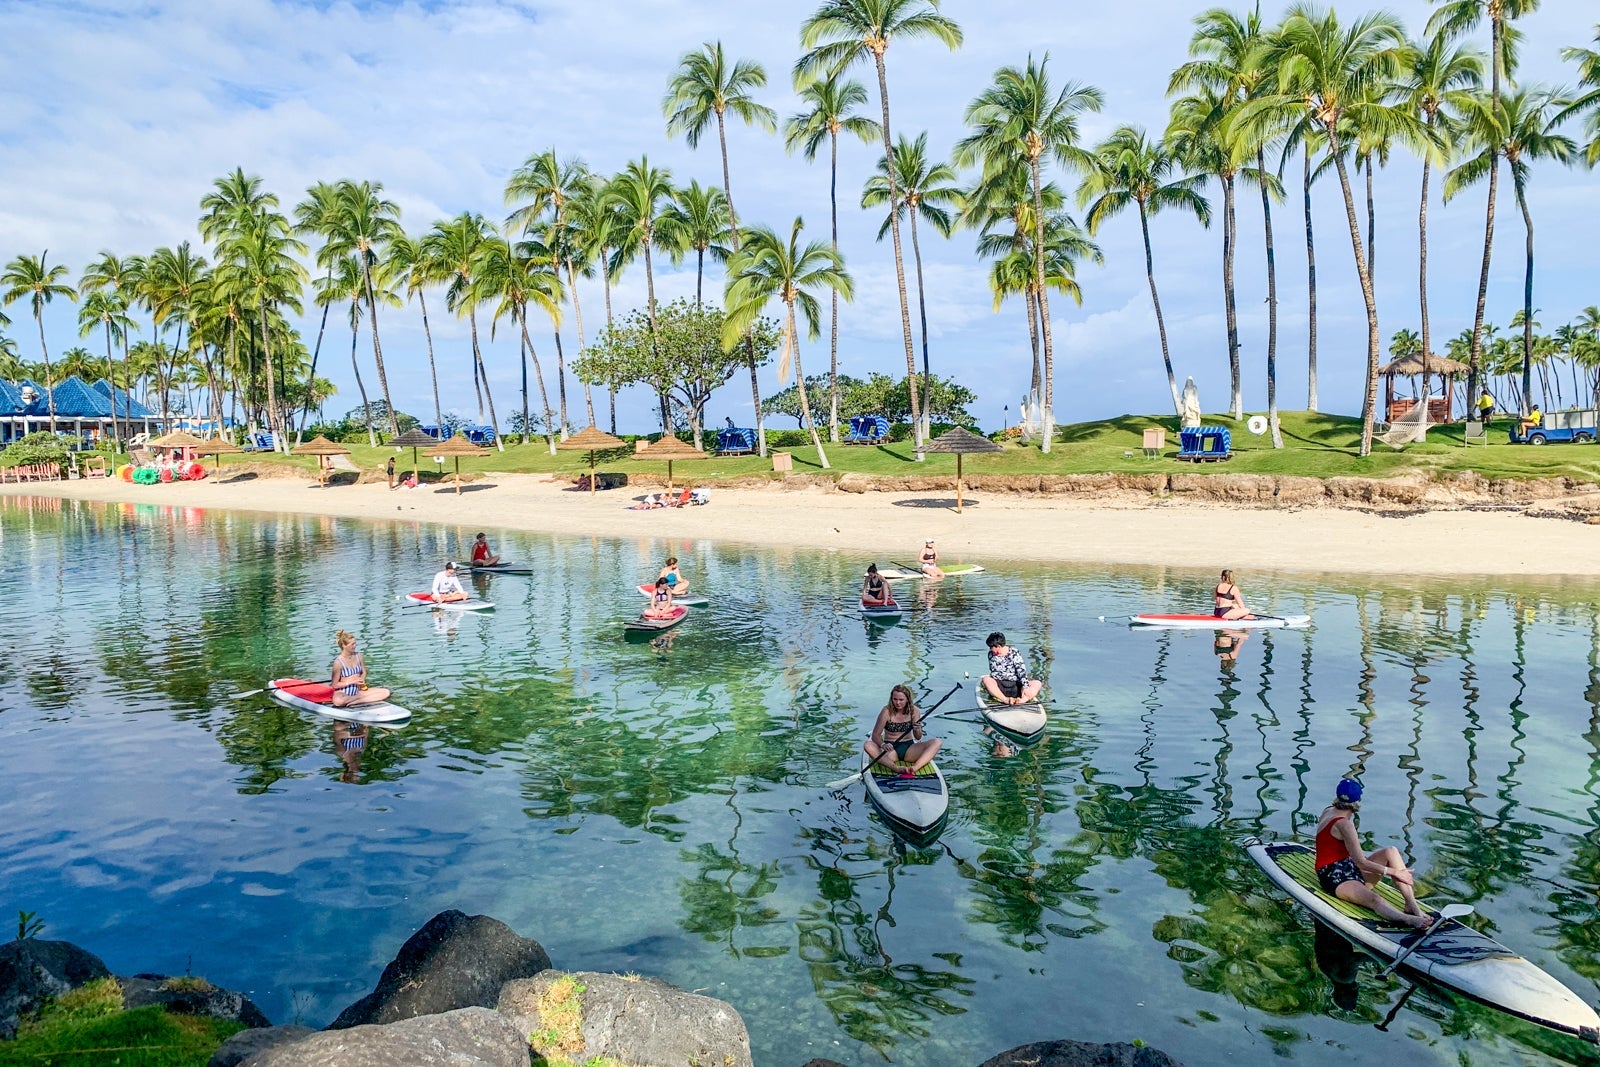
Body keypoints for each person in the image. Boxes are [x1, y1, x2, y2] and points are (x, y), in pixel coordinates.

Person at [1313, 779, 1433, 931]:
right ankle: (1408, 919)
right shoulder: (1345, 824)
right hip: (1333, 877)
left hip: (1348, 866)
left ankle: (1411, 904)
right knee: (1375, 900)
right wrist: (1394, 872)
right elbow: (1361, 862)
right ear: (1357, 802)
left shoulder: (1328, 810)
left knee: (1391, 851)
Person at [864, 684, 942, 778]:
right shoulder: (886, 711)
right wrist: (883, 745)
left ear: (907, 699)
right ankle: (896, 768)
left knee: (937, 742)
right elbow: (875, 735)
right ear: (891, 699)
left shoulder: (914, 711)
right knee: (868, 745)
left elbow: (918, 737)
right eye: (895, 699)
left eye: (901, 700)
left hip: (909, 749)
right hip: (891, 750)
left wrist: (917, 729)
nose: (897, 703)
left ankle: (915, 768)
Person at [329, 629, 391, 708]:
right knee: (338, 701)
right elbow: (334, 685)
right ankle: (361, 699)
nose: (355, 646)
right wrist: (351, 681)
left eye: (355, 643)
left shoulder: (358, 656)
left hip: (358, 692)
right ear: (344, 646)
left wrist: (362, 679)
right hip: (343, 693)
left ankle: (357, 701)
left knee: (386, 692)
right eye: (352, 644)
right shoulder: (338, 662)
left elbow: (364, 672)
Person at [982, 632, 1043, 705]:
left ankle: (1022, 700)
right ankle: (1005, 699)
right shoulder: (991, 654)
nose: (990, 649)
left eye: (991, 647)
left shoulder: (1014, 652)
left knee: (1037, 683)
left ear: (998, 646)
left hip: (1015, 685)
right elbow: (993, 671)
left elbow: (1021, 671)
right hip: (1000, 686)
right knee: (986, 679)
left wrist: (1025, 687)